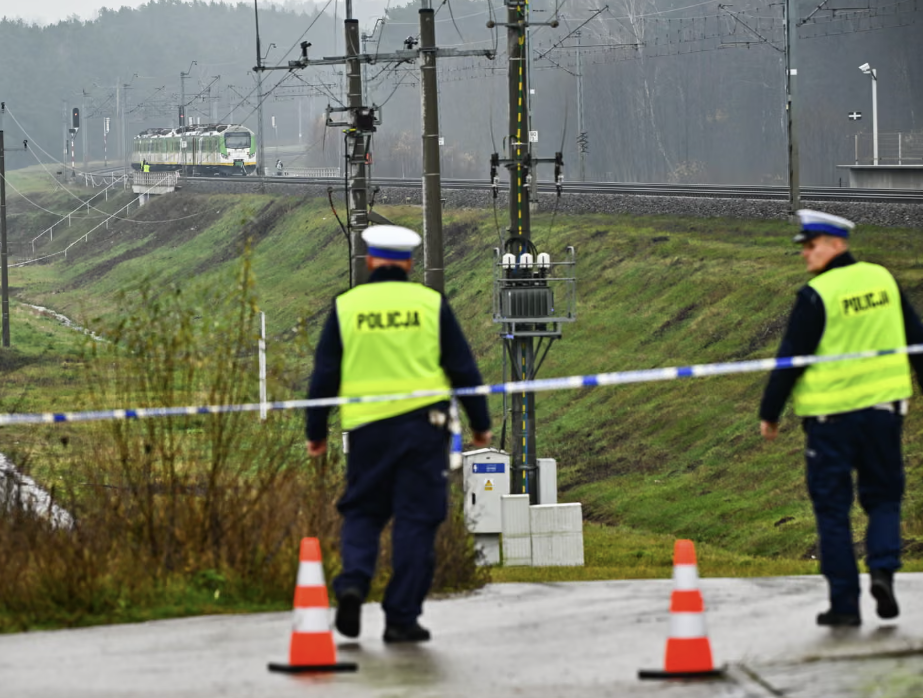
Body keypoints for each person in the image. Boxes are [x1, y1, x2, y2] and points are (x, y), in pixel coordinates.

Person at [306, 225, 492, 643]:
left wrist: (315, 431)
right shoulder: (430, 304)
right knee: (416, 519)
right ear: (408, 263)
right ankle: (402, 617)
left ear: (371, 260)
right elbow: (462, 368)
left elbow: (324, 375)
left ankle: (354, 582)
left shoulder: (346, 306)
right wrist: (480, 423)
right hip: (423, 431)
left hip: (367, 431)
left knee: (363, 511)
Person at [759, 209, 923, 627]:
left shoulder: (817, 294)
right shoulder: (882, 279)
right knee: (884, 498)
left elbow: (791, 359)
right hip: (883, 415)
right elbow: (917, 339)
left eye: (811, 246)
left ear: (837, 245)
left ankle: (845, 604)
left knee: (833, 510)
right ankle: (883, 571)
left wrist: (770, 412)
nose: (805, 254)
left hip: (831, 423)